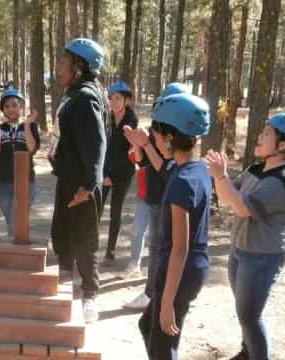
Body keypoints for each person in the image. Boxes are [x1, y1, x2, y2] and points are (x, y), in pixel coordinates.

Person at [205, 113, 285, 360]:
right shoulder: (258, 167)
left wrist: (220, 176)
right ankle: (247, 352)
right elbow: (233, 191)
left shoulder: (282, 180)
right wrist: (212, 172)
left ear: (282, 145)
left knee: (250, 316)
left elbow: (241, 207)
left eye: (266, 134)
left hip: (263, 257)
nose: (259, 137)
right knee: (245, 312)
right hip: (241, 250)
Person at [135, 93, 212, 359]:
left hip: (178, 270)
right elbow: (165, 168)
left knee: (163, 346)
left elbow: (180, 248)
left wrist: (167, 301)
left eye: (155, 133)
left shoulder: (182, 183)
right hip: (190, 268)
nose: (154, 138)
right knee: (147, 325)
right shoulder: (195, 169)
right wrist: (145, 145)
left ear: (169, 137)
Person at [51, 38, 106, 323]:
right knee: (63, 235)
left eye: (64, 63)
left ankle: (90, 297)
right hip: (69, 179)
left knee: (84, 242)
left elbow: (96, 144)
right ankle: (63, 288)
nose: (59, 67)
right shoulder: (74, 93)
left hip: (82, 186)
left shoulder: (86, 97)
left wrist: (88, 187)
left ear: (79, 66)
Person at [122, 82, 190, 309]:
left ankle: (154, 294)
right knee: (157, 247)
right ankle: (155, 292)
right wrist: (138, 145)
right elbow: (143, 163)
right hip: (152, 195)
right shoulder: (156, 128)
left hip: (167, 199)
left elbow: (166, 169)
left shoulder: (180, 135)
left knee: (164, 248)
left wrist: (145, 146)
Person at [0, 88, 39, 238]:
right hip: (3, 182)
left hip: (26, 182)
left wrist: (28, 125)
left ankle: (15, 251)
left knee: (16, 218)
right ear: (3, 109)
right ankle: (17, 247)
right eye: (7, 106)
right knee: (12, 219)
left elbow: (32, 148)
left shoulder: (30, 126)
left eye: (14, 105)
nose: (11, 109)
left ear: (21, 107)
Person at [101, 82, 137, 263]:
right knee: (96, 209)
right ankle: (89, 246)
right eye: (111, 98)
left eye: (118, 98)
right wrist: (104, 174)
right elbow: (102, 147)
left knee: (116, 211)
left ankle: (111, 250)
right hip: (104, 171)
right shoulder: (105, 118)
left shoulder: (132, 120)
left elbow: (130, 151)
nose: (114, 102)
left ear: (126, 100)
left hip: (123, 172)